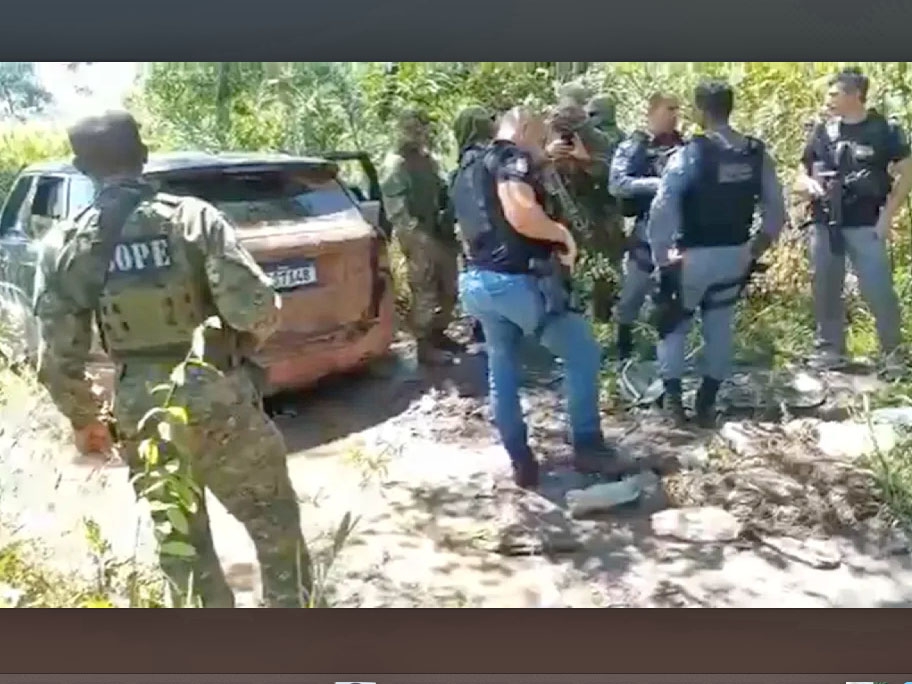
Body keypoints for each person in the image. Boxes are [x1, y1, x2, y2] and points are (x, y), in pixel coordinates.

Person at [31, 111, 310, 608]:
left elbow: (55, 356)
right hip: (217, 392)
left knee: (184, 549)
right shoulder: (192, 219)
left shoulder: (63, 245)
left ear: (79, 167)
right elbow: (256, 309)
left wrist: (85, 419)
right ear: (142, 153)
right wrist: (243, 348)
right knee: (276, 531)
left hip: (142, 409)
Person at [453, 106, 639, 488]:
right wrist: (561, 235)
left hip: (476, 282)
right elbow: (521, 211)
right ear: (521, 129)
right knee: (582, 351)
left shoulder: (465, 169)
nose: (539, 146)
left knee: (502, 366)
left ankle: (521, 460)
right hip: (515, 282)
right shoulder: (509, 156)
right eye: (536, 138)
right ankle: (588, 446)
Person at [647, 80, 786, 427]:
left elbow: (663, 208)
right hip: (735, 255)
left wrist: (662, 257)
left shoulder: (691, 154)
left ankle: (674, 402)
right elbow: (776, 210)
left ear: (699, 111)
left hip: (692, 257)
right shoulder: (755, 153)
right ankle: (707, 403)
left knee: (673, 323)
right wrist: (758, 245)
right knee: (720, 324)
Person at [794, 67, 912, 375]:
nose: (828, 99)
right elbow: (801, 172)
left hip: (866, 222)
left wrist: (888, 216)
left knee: (878, 288)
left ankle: (893, 354)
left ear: (855, 95)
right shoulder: (823, 131)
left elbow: (907, 173)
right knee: (826, 286)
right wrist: (808, 185)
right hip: (825, 221)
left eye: (834, 93)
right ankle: (830, 349)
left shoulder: (883, 130)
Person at [380, 108, 460, 365]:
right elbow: (396, 209)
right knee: (424, 290)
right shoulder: (395, 164)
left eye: (423, 127)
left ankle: (439, 333)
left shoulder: (428, 160)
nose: (420, 133)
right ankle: (424, 345)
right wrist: (417, 236)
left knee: (450, 288)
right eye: (415, 128)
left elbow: (443, 189)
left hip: (439, 232)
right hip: (417, 236)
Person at [609, 92, 684, 361]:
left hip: (677, 236)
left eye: (677, 109)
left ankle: (660, 358)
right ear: (651, 112)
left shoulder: (685, 147)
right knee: (631, 297)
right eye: (668, 108)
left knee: (668, 301)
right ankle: (622, 349)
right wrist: (660, 184)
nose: (674, 114)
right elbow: (617, 183)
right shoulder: (635, 146)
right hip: (644, 234)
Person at [546, 102, 625, 322]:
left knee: (602, 282)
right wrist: (546, 156)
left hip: (600, 223)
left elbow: (617, 180)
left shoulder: (600, 141)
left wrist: (586, 160)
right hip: (563, 225)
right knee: (565, 281)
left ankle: (602, 322)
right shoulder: (547, 143)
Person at [450, 104, 498, 346]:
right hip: (495, 240)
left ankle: (482, 332)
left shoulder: (461, 166)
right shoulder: (490, 159)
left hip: (473, 242)